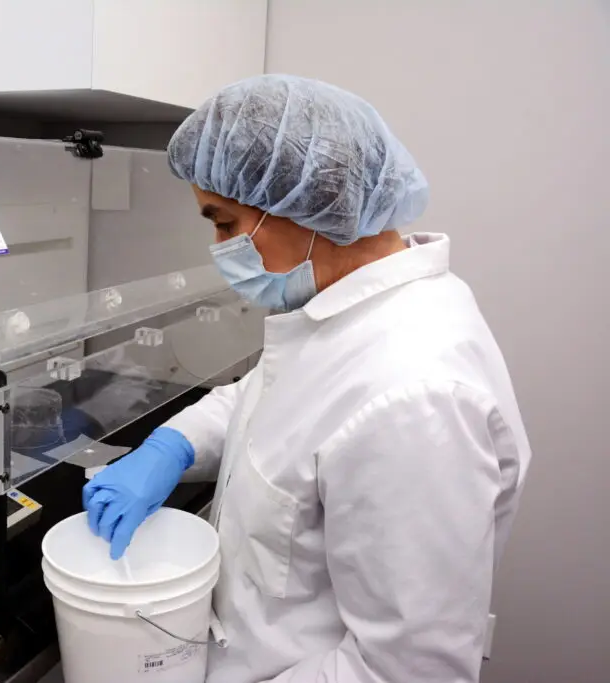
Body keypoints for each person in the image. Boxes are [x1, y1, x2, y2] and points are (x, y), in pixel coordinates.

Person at [82, 75, 531, 683]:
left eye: (223, 223)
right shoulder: (347, 315)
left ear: (305, 205)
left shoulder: (416, 397)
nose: (218, 248)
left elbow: (407, 671)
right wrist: (173, 445)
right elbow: (270, 396)